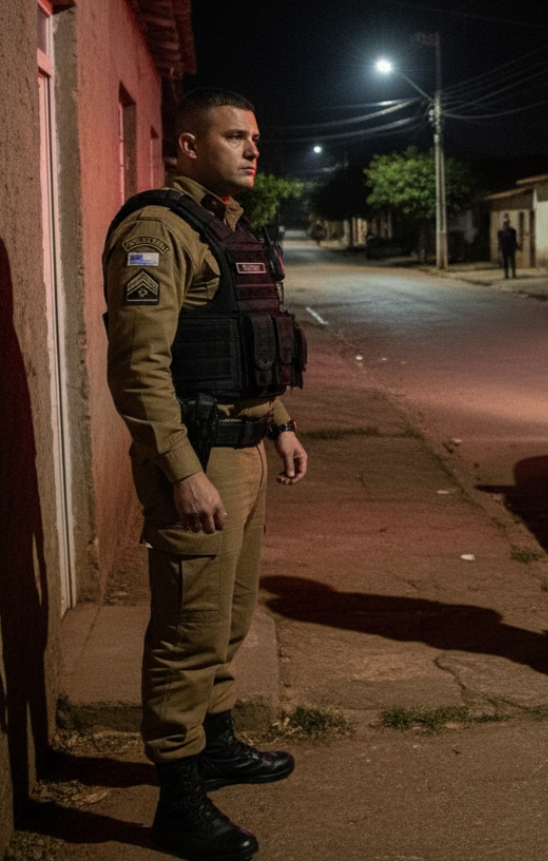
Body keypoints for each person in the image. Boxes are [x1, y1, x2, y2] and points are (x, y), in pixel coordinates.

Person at [104, 88, 309, 861]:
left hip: (245, 447)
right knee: (189, 629)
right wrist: (183, 471)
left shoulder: (229, 230)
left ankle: (216, 745)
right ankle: (178, 799)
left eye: (255, 137)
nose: (253, 149)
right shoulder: (155, 233)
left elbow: (248, 338)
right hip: (199, 455)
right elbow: (140, 368)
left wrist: (280, 423)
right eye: (234, 137)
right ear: (187, 147)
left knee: (228, 619)